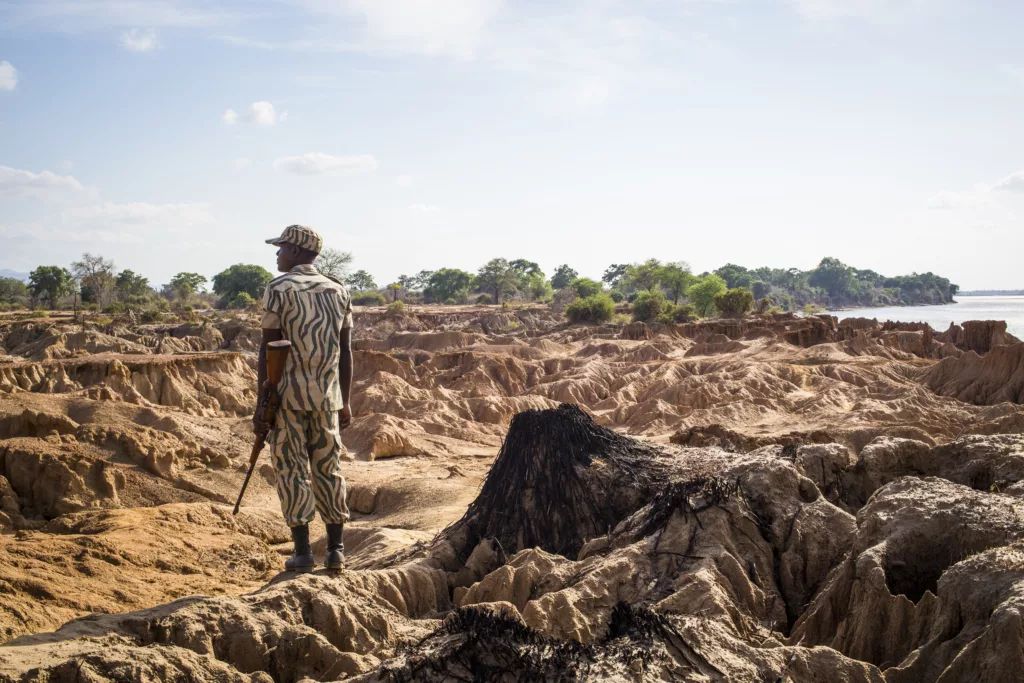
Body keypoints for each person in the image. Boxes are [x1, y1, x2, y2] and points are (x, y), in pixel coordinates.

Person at [253, 224, 354, 572]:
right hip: (328, 399)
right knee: (330, 469)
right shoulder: (338, 290)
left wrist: (260, 406)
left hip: (287, 400)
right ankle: (336, 551)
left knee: (291, 470)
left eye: (281, 248)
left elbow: (268, 349)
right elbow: (346, 351)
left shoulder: (278, 288)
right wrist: (345, 400)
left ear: (295, 251)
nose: (277, 253)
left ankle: (303, 553)